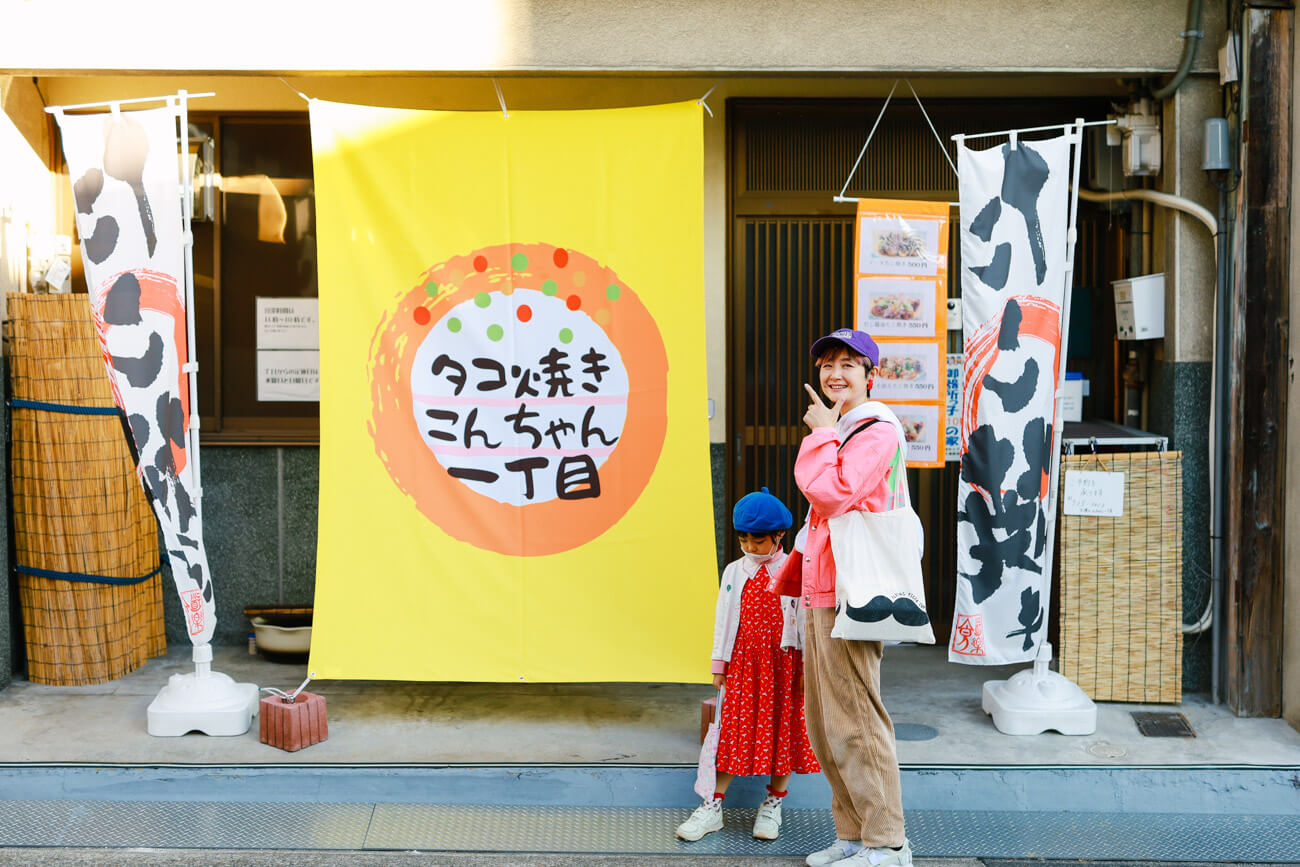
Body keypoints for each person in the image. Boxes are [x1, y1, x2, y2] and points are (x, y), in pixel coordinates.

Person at [769, 328, 913, 867]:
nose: (836, 373)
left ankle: (887, 843)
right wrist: (829, 432)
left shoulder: (874, 430)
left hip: (852, 591)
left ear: (870, 375)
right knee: (827, 724)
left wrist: (822, 433)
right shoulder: (847, 428)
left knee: (856, 719)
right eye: (829, 363)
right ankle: (852, 835)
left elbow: (829, 495)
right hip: (822, 588)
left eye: (850, 364)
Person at [675, 487, 820, 843]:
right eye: (744, 539)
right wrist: (719, 664)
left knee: (782, 730)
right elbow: (723, 618)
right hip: (743, 664)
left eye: (758, 540)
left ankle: (773, 803)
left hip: (785, 665)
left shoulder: (794, 568)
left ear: (780, 535)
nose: (750, 547)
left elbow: (804, 620)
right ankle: (713, 805)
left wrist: (809, 668)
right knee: (731, 733)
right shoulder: (734, 572)